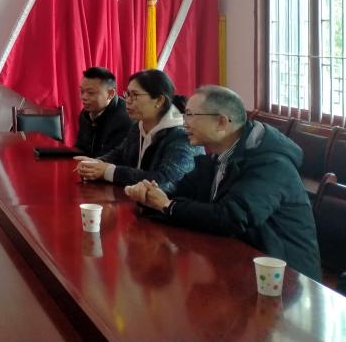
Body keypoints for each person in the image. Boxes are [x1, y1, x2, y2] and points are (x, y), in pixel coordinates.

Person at [125, 85, 322, 280]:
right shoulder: (219, 156)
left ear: (221, 122)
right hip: (237, 265)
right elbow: (181, 188)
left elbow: (231, 217)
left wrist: (168, 206)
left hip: (283, 278)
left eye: (191, 115)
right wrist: (152, 192)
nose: (184, 123)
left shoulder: (270, 165)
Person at [74, 69, 201, 194]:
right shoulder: (138, 125)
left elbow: (165, 182)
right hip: (136, 199)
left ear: (159, 100)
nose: (128, 101)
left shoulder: (183, 135)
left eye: (135, 95)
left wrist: (108, 171)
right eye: (127, 94)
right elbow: (119, 154)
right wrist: (96, 163)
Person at [75, 66, 132, 157]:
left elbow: (112, 158)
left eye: (90, 93)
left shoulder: (125, 118)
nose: (84, 97)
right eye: (82, 91)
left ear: (110, 94)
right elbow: (80, 148)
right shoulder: (85, 114)